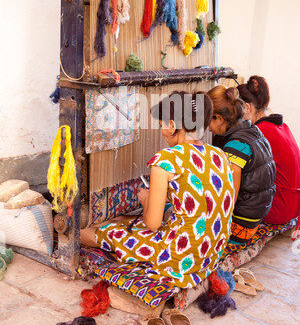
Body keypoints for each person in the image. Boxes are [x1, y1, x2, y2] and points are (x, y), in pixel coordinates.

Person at [81, 90, 235, 289]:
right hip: (211, 253)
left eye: (161, 124)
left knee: (106, 233)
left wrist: (146, 200)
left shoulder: (166, 160)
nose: (161, 129)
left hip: (180, 257)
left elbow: (152, 224)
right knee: (130, 221)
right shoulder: (220, 155)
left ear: (172, 125)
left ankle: (80, 234)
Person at [207, 85, 276, 245]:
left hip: (241, 227)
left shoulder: (235, 146)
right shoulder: (252, 131)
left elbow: (230, 197)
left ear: (219, 118)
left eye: (208, 121)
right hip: (254, 216)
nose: (207, 128)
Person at [237, 75, 300, 225]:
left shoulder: (259, 133)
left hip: (278, 209)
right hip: (293, 207)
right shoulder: (282, 127)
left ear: (247, 108)